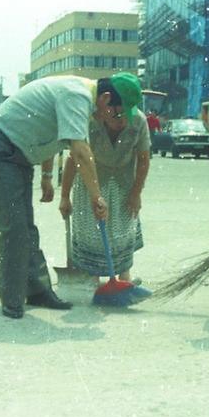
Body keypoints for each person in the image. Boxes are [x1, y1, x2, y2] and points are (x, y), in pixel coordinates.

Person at [0, 72, 142, 318]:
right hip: (0, 148)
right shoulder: (76, 96)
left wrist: (46, 175)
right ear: (106, 98)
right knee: (15, 228)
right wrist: (97, 197)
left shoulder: (82, 99)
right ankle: (12, 300)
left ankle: (36, 291)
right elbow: (80, 150)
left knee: (26, 227)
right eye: (116, 112)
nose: (113, 119)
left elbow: (50, 132)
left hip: (19, 155)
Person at [58, 95, 150, 286]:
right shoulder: (89, 122)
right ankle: (93, 278)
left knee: (123, 232)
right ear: (108, 108)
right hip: (91, 188)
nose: (123, 122)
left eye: (127, 115)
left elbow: (143, 159)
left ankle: (124, 277)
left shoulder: (139, 121)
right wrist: (65, 197)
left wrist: (136, 193)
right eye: (118, 116)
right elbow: (73, 159)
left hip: (124, 186)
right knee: (92, 234)